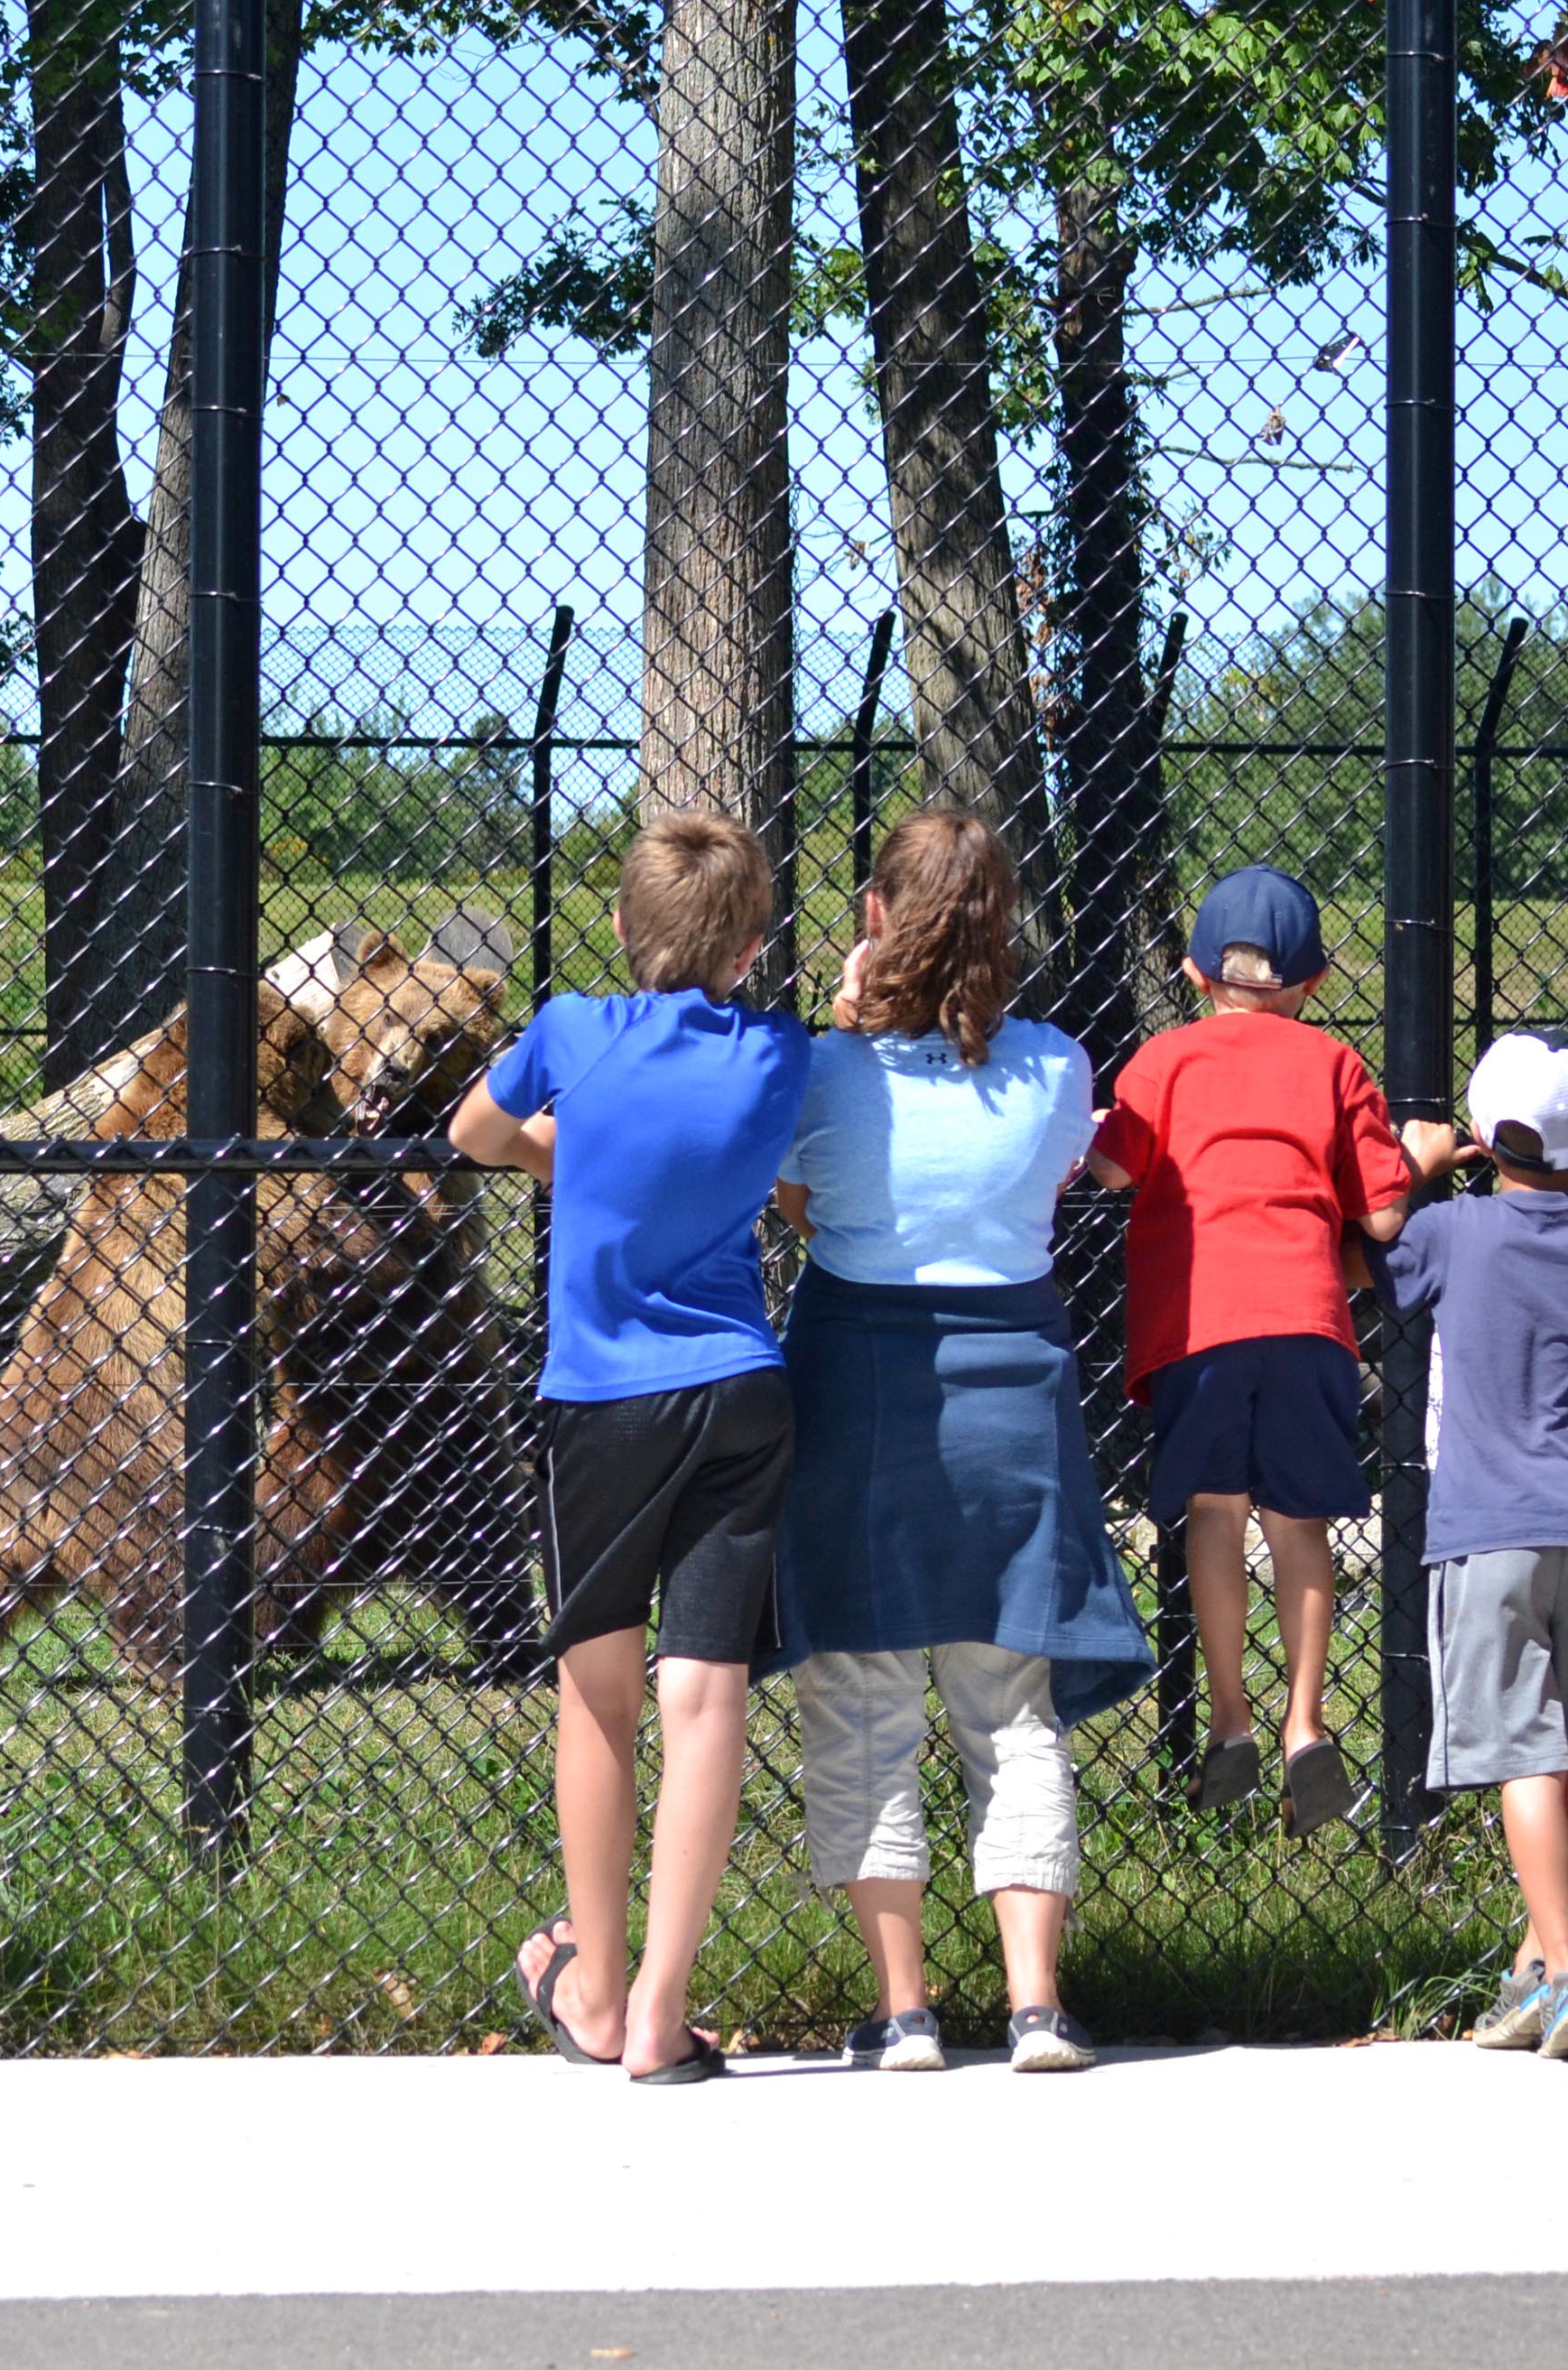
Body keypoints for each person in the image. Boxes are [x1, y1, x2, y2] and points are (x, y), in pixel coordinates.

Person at [772, 807, 1148, 2076]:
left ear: (874, 917)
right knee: (1010, 1703)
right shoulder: (1057, 1069)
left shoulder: (823, 1070)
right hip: (1014, 1399)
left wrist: (846, 1017)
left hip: (857, 1386)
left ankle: (906, 2009)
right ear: (1003, 925)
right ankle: (1037, 2004)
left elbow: (803, 1203)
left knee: (863, 1696)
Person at [451, 813, 809, 2086]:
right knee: (705, 1694)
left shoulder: (570, 1031)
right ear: (751, 948)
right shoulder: (780, 1049)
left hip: (601, 1402)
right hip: (741, 1391)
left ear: (617, 926)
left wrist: (557, 1149)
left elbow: (472, 1134)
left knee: (597, 1693)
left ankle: (593, 1992)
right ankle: (662, 2007)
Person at [1082, 863, 1429, 1833]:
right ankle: (1304, 1723)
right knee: (1299, 1521)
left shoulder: (1164, 1060)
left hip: (1198, 1327)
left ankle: (1229, 1714)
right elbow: (1385, 1215)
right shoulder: (1335, 1064)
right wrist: (1416, 1161)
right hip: (1306, 1321)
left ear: (1196, 975)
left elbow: (1108, 1169)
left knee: (1213, 1513)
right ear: (1312, 982)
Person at [1367, 1036, 1568, 2066]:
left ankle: (1567, 1974)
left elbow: (1364, 1262)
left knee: (1523, 1749)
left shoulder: (1450, 1229)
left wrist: (1414, 1167)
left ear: (1482, 1137)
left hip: (1488, 1533)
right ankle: (1535, 1961)